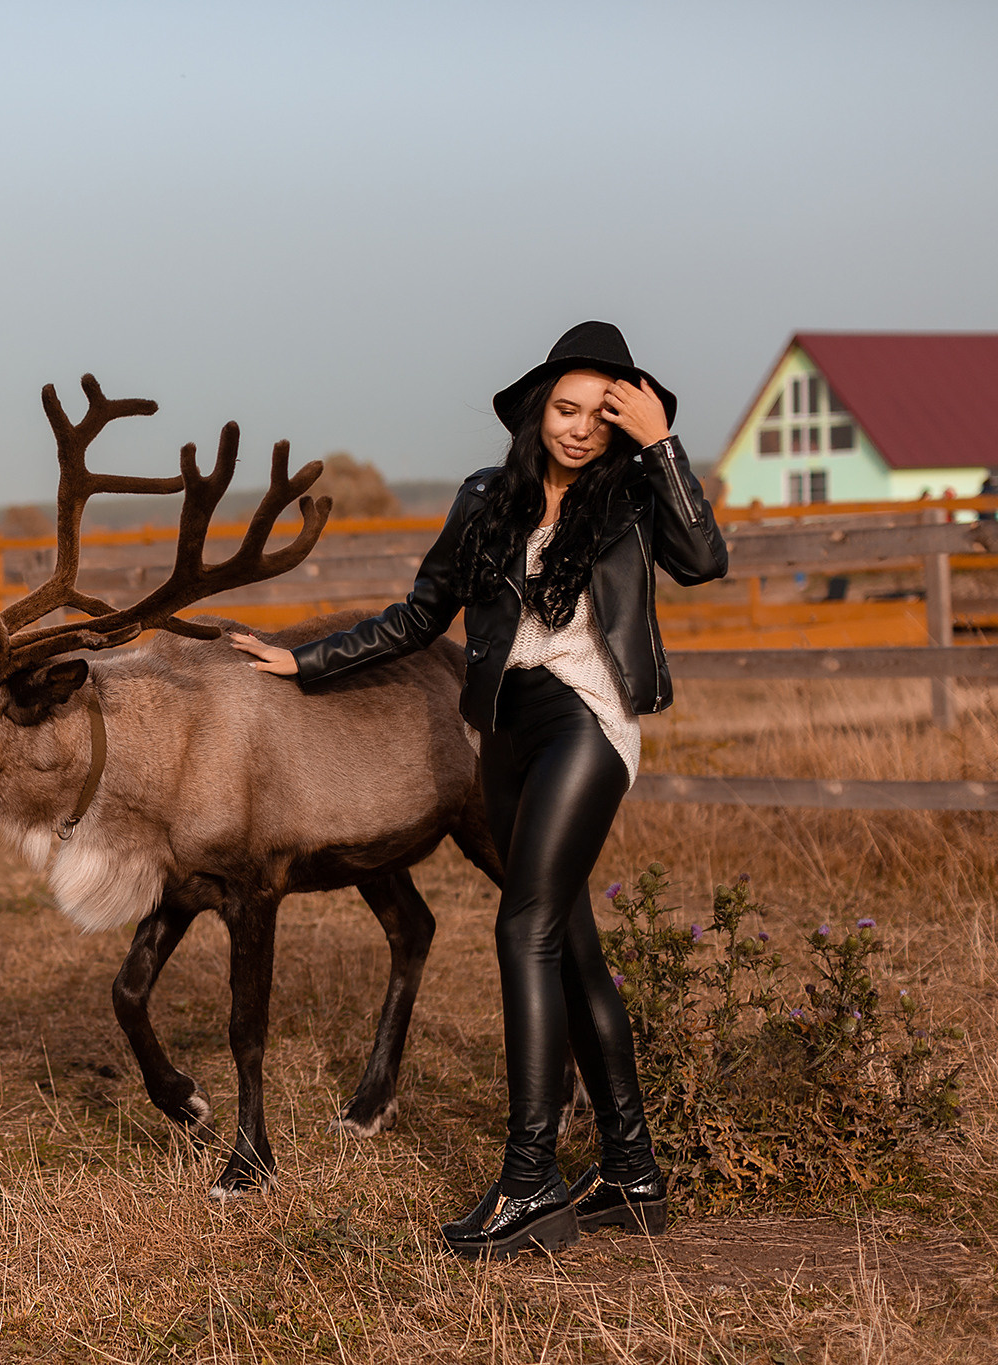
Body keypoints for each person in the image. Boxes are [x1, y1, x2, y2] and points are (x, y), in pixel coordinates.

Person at [230, 321, 726, 1260]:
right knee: (571, 943)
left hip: (587, 721)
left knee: (523, 927)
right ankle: (632, 1170)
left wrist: (661, 443)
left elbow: (707, 561)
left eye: (600, 414)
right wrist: (303, 663)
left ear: (623, 422)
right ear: (538, 408)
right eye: (565, 408)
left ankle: (530, 1181)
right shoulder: (486, 497)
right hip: (504, 733)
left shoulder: (630, 493)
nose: (578, 429)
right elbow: (419, 616)